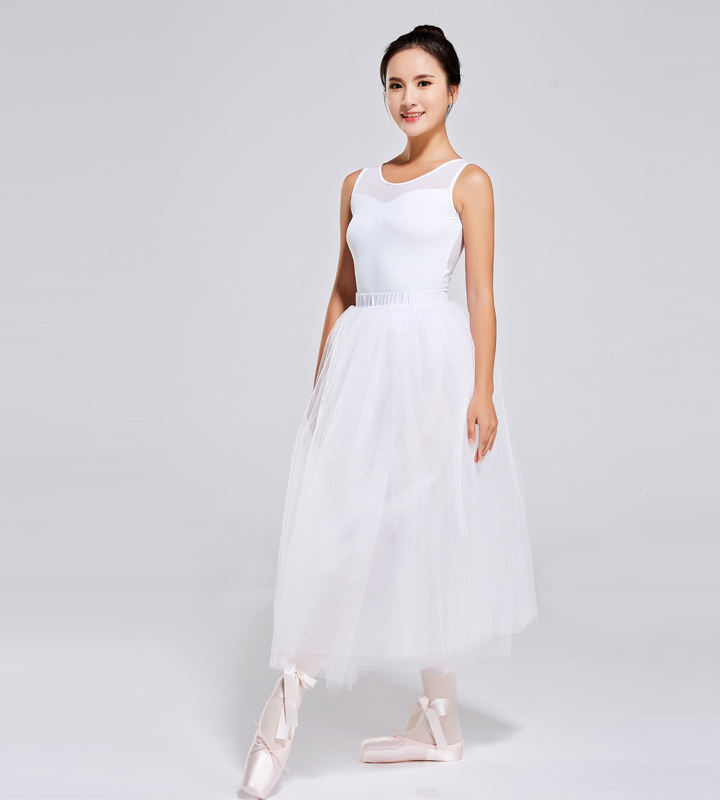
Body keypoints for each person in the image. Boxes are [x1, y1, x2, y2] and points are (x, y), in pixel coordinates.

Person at [240, 23, 538, 798]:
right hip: (363, 368)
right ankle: (352, 712)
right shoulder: (358, 184)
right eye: (396, 84)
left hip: (431, 369)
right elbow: (343, 288)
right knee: (347, 530)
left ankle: (385, 719)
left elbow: (481, 294)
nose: (409, 98)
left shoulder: (469, 182)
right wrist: (323, 381)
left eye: (424, 83)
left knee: (417, 530)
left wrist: (482, 390)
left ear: (453, 91)